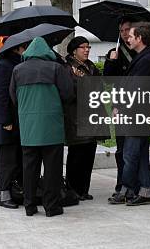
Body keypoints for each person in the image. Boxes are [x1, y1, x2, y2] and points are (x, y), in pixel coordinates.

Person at [9, 37, 74, 217]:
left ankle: (29, 205)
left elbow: (13, 97)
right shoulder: (55, 68)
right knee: (52, 170)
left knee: (29, 169)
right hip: (52, 127)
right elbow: (68, 94)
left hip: (28, 128)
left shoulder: (17, 70)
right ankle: (51, 207)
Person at [110, 23, 150, 206]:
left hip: (138, 116)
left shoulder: (148, 59)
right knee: (140, 155)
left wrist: (120, 107)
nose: (128, 38)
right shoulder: (144, 57)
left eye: (132, 36)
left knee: (130, 155)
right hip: (139, 115)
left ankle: (127, 190)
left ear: (140, 38)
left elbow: (135, 89)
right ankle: (145, 191)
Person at [103, 17, 138, 199]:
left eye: (128, 30)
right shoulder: (114, 51)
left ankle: (136, 185)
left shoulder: (141, 51)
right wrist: (111, 62)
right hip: (120, 105)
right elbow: (108, 80)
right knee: (122, 148)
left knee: (136, 149)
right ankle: (121, 184)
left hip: (138, 105)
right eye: (122, 31)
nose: (125, 34)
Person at [64, 36, 101, 201]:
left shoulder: (91, 67)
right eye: (82, 47)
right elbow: (68, 93)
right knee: (76, 156)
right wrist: (79, 81)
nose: (86, 50)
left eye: (88, 47)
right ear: (74, 50)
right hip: (76, 117)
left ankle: (84, 189)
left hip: (92, 116)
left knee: (89, 155)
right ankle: (73, 189)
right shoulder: (67, 68)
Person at [0, 42, 28, 209]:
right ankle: (3, 194)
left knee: (17, 158)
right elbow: (1, 96)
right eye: (25, 47)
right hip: (7, 122)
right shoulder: (3, 66)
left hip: (18, 120)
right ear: (17, 48)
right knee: (7, 160)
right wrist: (6, 120)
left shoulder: (18, 64)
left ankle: (16, 191)